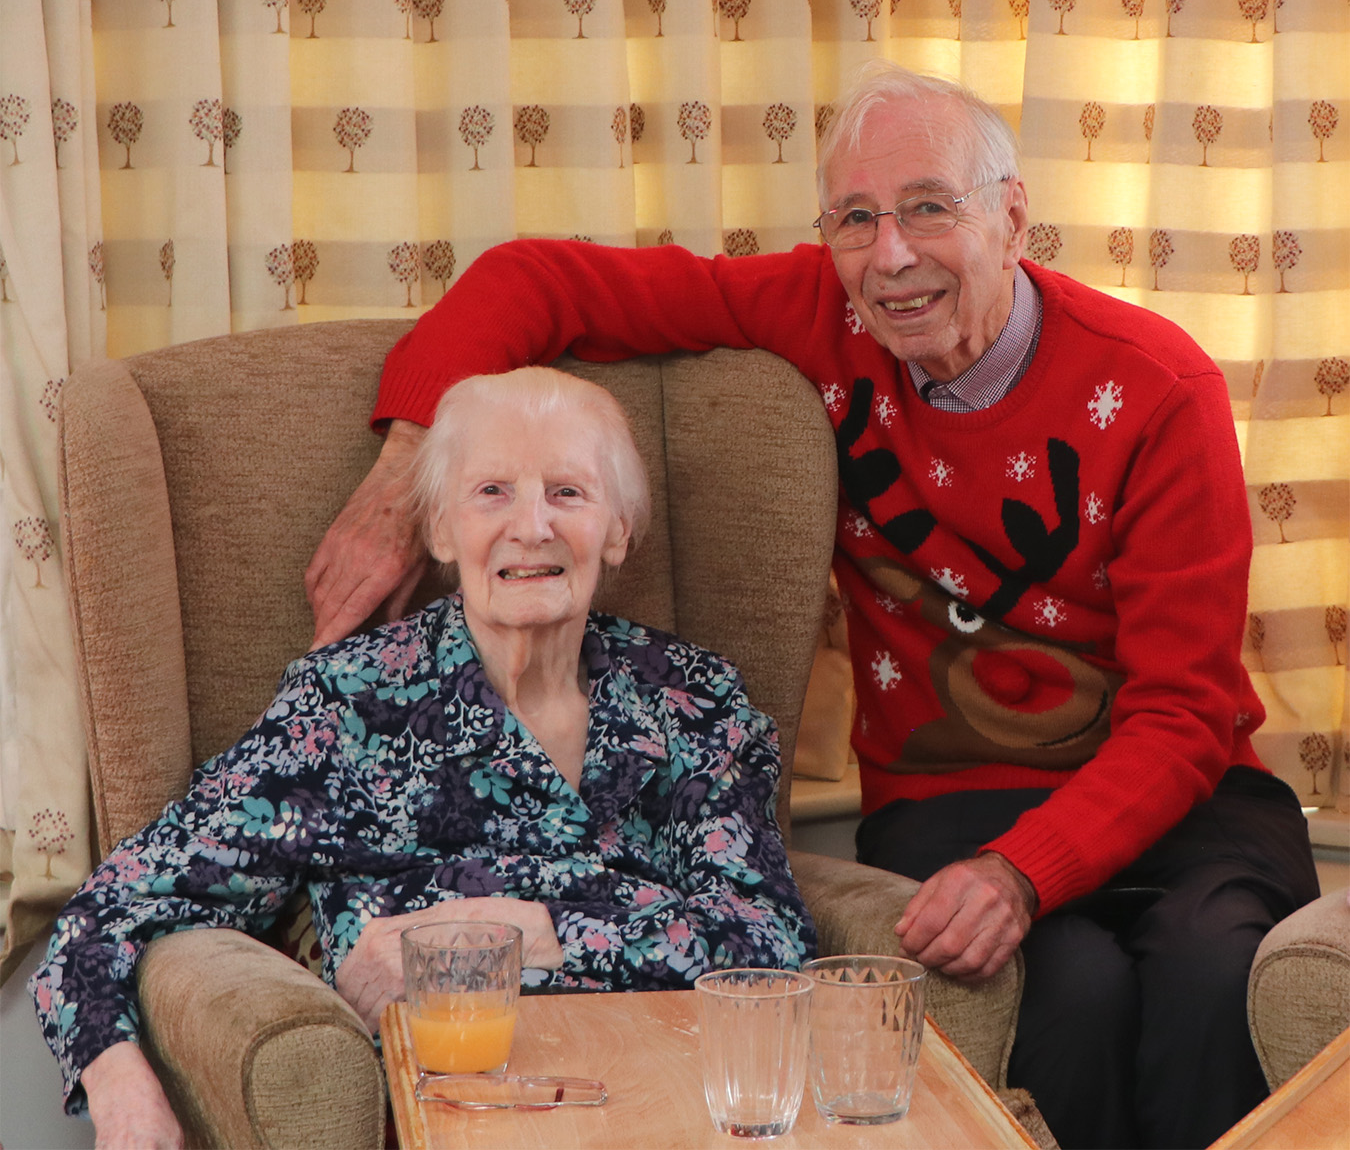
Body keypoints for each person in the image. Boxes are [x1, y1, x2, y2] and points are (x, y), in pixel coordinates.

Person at [306, 63, 1319, 1150]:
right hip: (955, 787)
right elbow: (531, 281)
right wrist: (404, 464)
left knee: (1212, 969)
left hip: (1184, 786)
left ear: (1014, 216)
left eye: (931, 206)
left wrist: (1030, 871)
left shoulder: (1156, 388)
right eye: (857, 219)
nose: (892, 255)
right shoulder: (817, 313)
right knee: (1067, 991)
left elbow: (1184, 713)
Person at [31, 367, 814, 1150]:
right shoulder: (348, 707)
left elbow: (771, 945)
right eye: (493, 492)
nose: (533, 526)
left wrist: (533, 930)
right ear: (441, 530)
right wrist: (125, 1090)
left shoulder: (691, 700)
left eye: (569, 492)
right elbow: (113, 910)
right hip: (455, 1120)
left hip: (679, 1110)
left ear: (617, 530)